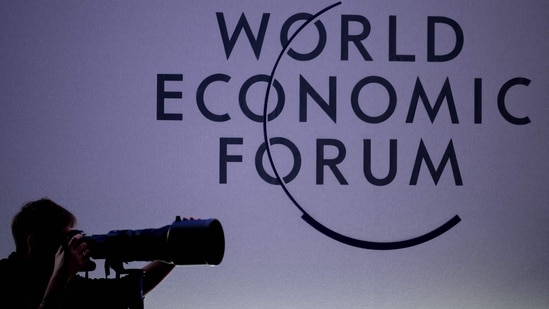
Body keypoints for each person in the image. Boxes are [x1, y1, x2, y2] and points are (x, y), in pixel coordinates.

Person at [0, 198, 175, 309]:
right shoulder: (6, 279)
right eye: (66, 238)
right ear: (34, 242)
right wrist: (61, 276)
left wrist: (177, 248)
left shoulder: (70, 285)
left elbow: (128, 291)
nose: (72, 245)